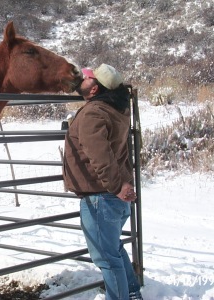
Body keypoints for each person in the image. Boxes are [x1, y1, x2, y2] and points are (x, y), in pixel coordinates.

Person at [62, 63, 143, 300]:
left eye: (89, 77)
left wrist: (117, 186)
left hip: (102, 196)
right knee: (114, 249)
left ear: (96, 89)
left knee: (106, 258)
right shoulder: (115, 109)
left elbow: (100, 155)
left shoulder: (93, 113)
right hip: (113, 195)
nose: (84, 77)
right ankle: (131, 292)